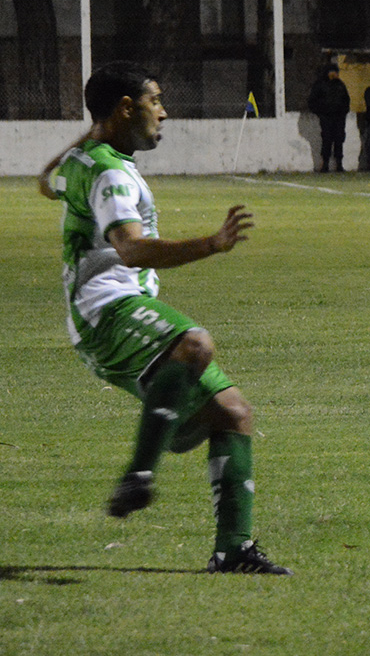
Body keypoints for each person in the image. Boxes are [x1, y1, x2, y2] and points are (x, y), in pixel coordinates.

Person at [35, 62, 291, 575]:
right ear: (127, 108)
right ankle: (139, 473)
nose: (164, 112)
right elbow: (130, 249)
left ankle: (233, 550)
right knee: (194, 344)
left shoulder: (89, 159)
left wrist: (92, 130)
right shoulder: (107, 170)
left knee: (234, 414)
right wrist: (212, 244)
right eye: (156, 101)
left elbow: (46, 181)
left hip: (115, 312)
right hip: (106, 310)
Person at [307, 63, 350, 173]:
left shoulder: (340, 85)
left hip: (339, 118)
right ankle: (325, 164)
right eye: (334, 72)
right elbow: (312, 101)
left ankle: (339, 164)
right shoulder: (320, 85)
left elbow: (346, 100)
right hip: (326, 118)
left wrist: (343, 112)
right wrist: (321, 112)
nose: (336, 74)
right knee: (327, 140)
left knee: (339, 140)